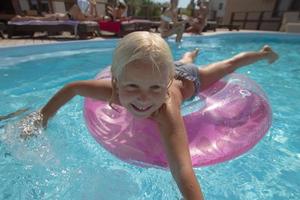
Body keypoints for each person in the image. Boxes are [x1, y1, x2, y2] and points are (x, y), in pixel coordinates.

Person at [21, 32, 278, 199]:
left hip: (189, 78)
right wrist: (42, 118)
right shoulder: (114, 90)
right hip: (165, 69)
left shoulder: (166, 111)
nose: (144, 99)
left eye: (155, 89)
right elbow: (72, 88)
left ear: (165, 87)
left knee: (226, 66)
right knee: (179, 61)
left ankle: (263, 53)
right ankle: (187, 56)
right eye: (132, 87)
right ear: (117, 81)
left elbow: (182, 170)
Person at [11, 4, 102, 22]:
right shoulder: (79, 9)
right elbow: (83, 17)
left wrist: (93, 8)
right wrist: (93, 7)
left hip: (59, 16)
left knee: (38, 18)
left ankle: (20, 18)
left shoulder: (81, 10)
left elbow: (89, 16)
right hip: (57, 18)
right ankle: (19, 18)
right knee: (37, 19)